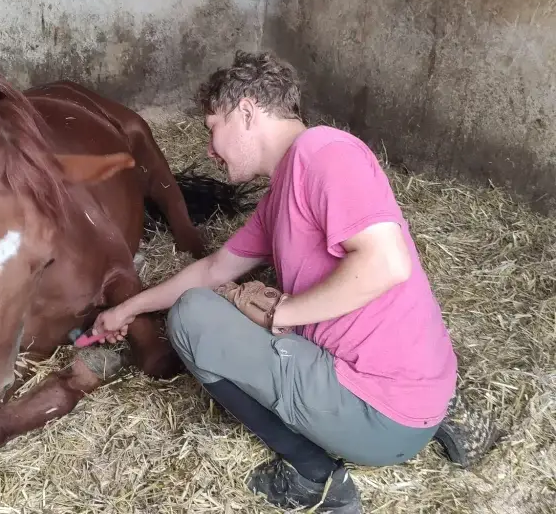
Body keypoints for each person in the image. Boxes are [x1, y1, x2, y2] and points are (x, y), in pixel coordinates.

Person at [92, 51, 459, 512]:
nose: (209, 150)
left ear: (246, 112)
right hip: (408, 402)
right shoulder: (283, 189)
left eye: (212, 129)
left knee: (190, 318)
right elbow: (212, 270)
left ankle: (314, 474)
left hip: (377, 414)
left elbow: (388, 263)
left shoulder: (325, 152)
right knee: (204, 299)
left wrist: (281, 312)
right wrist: (126, 310)